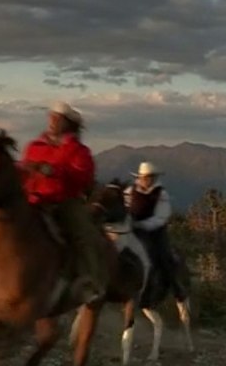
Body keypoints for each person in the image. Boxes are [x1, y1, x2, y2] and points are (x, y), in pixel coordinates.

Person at [20, 101, 106, 303]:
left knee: (84, 235)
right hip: (33, 200)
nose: (51, 121)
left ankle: (90, 283)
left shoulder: (78, 151)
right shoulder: (34, 146)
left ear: (68, 123)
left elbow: (83, 177)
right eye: (51, 116)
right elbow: (23, 170)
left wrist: (54, 171)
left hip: (64, 202)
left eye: (57, 118)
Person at [124, 161, 180, 296]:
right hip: (130, 228)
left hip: (154, 232)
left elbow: (161, 217)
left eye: (151, 177)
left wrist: (140, 225)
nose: (148, 180)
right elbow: (124, 208)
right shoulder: (129, 192)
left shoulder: (161, 194)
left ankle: (173, 288)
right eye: (146, 177)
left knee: (162, 256)